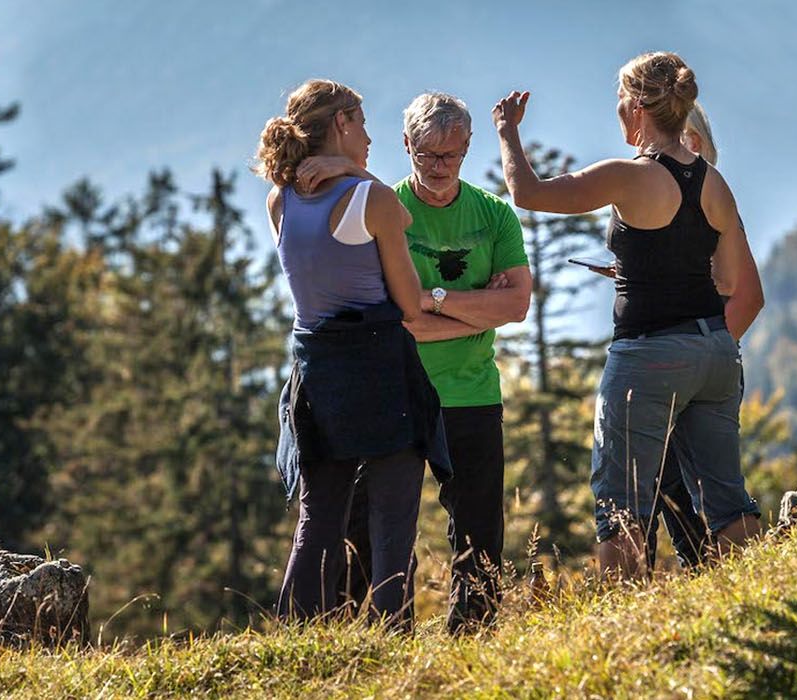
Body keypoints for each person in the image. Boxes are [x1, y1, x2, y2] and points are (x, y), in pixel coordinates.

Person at [494, 51, 763, 580]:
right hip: (713, 351)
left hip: (648, 353)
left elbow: (528, 192)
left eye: (620, 99)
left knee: (623, 502)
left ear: (638, 107)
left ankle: (622, 618)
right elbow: (728, 282)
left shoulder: (627, 176)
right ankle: (750, 595)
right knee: (726, 497)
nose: (617, 109)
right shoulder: (714, 183)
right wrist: (657, 272)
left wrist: (507, 131)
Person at [294, 92, 532, 633]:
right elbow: (400, 320)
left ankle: (473, 638)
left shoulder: (493, 215)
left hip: (471, 393)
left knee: (478, 534)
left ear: (469, 146)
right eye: (428, 154)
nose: (441, 166)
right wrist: (475, 309)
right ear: (406, 146)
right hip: (394, 391)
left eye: (452, 154)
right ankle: (361, 638)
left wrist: (435, 298)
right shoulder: (383, 207)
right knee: (369, 528)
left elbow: (516, 305)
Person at [255, 79, 450, 629]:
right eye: (362, 124)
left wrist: (347, 171)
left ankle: (297, 635)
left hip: (317, 376)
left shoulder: (280, 200)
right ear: (341, 123)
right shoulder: (373, 198)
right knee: (392, 519)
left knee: (318, 518)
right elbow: (410, 303)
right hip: (381, 373)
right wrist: (357, 176)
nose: (368, 137)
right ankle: (393, 637)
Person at [647, 102, 765, 570]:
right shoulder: (666, 209)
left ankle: (724, 575)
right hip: (669, 361)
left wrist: (704, 350)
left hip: (694, 365)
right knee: (667, 480)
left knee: (701, 483)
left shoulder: (715, 211)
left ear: (692, 142)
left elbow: (749, 297)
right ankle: (702, 575)